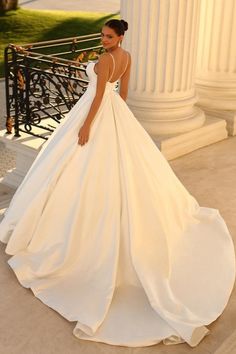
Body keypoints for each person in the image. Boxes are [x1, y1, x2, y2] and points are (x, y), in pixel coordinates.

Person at [0, 19, 235, 348]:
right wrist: (118, 121)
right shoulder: (127, 57)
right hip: (116, 113)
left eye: (109, 36)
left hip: (93, 113)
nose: (104, 39)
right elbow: (122, 94)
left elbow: (97, 97)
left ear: (119, 36)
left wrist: (87, 127)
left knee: (74, 168)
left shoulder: (107, 60)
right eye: (103, 36)